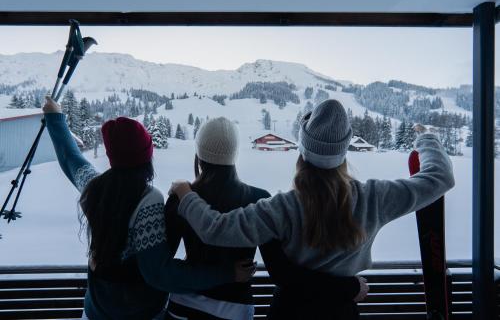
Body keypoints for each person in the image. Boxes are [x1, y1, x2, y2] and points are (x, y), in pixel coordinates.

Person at [169, 99, 455, 319]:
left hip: (289, 312)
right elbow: (439, 178)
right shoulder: (375, 198)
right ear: (343, 151)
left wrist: (186, 194)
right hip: (341, 312)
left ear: (302, 149)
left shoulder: (282, 208)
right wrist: (426, 139)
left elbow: (213, 229)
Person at [42, 97, 254, 320]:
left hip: (95, 311)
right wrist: (227, 273)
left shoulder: (95, 188)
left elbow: (70, 158)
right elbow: (159, 274)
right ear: (146, 156)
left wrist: (54, 116)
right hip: (141, 314)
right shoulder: (148, 200)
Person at [164, 117, 368, 320]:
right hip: (234, 310)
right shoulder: (257, 199)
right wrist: (347, 286)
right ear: (234, 155)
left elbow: (162, 267)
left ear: (199, 155)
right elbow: (282, 272)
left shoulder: (180, 198)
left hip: (182, 307)